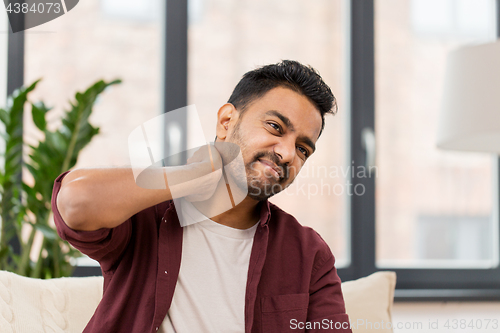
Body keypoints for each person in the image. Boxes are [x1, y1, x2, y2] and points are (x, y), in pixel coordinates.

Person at [52, 60, 352, 333]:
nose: (287, 154)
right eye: (275, 127)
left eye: (302, 149)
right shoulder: (144, 215)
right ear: (226, 121)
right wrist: (195, 171)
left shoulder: (309, 253)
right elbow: (75, 202)